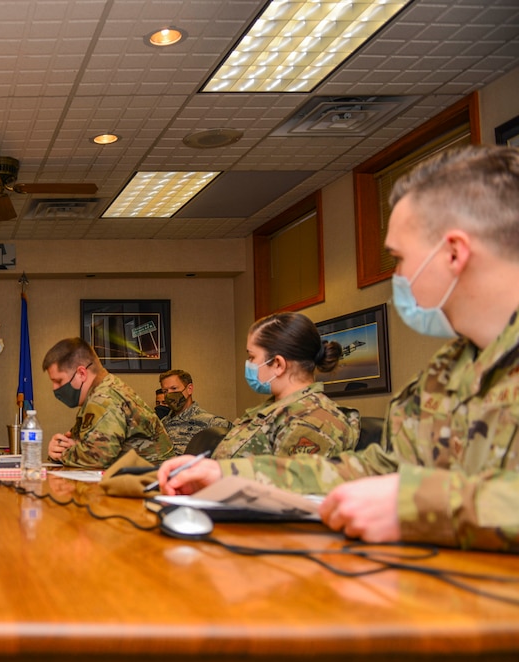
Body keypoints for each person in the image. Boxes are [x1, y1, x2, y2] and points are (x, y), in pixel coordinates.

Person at [159, 145, 519, 552]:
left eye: (399, 258)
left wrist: (415, 504)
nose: (397, 275)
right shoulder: (447, 371)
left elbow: (407, 493)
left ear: (454, 253)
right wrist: (230, 476)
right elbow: (380, 470)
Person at [208, 313, 359, 460]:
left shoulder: (311, 422)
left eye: (252, 357)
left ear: (278, 364)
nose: (249, 364)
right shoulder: (272, 409)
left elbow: (287, 482)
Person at [42, 338, 172, 467]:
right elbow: (82, 446)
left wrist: (63, 454)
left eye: (58, 381)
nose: (55, 388)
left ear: (81, 373)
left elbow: (98, 457)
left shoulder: (104, 398)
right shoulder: (99, 392)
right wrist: (60, 448)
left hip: (153, 482)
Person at [157, 369, 232, 455]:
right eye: (165, 391)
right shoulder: (162, 424)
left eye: (174, 388)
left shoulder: (212, 423)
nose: (169, 394)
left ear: (189, 389)